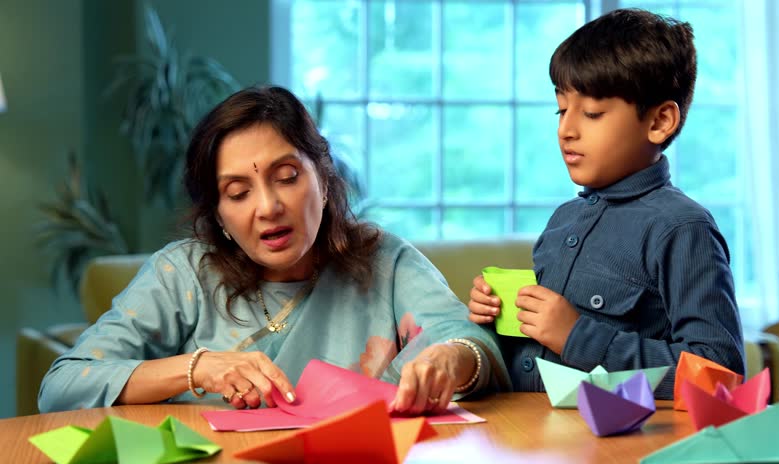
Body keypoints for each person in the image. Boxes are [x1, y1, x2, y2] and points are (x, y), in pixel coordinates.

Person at [39, 85, 509, 414]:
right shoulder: (180, 274)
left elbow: (468, 340)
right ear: (218, 215)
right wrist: (198, 369)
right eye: (239, 193)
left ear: (323, 181)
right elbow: (62, 386)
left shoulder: (383, 259)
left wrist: (450, 359)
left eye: (287, 178)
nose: (268, 207)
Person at [467, 8, 744, 399]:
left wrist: (578, 336)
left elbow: (719, 375)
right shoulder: (564, 219)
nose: (566, 129)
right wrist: (495, 318)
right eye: (561, 110)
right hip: (525, 443)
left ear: (660, 121)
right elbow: (538, 352)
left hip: (614, 453)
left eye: (592, 113)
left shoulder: (682, 228)